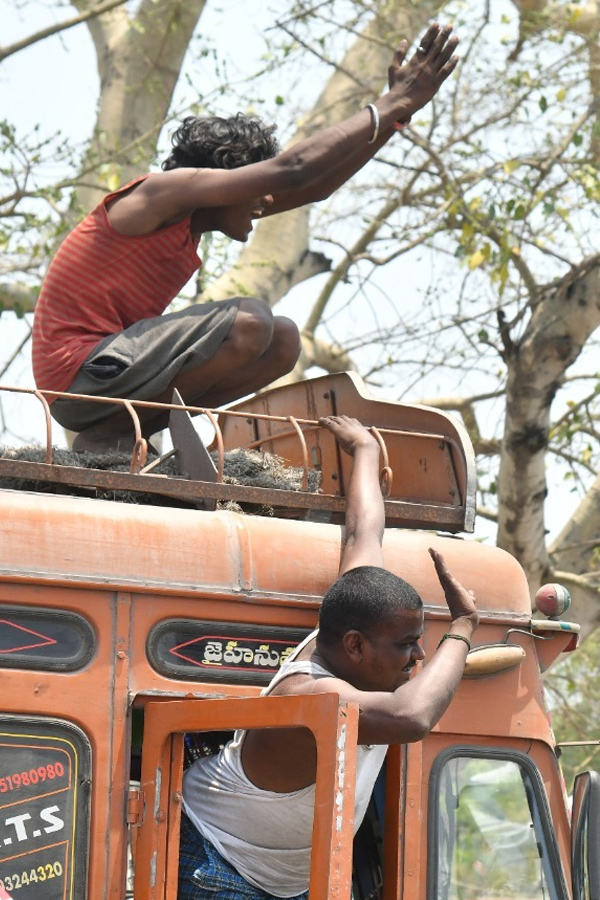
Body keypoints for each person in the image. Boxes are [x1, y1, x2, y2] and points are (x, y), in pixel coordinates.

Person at [32, 23, 459, 453]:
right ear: (227, 180)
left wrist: (398, 116)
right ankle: (113, 432)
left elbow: (314, 186)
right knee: (251, 321)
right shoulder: (164, 192)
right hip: (78, 373)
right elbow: (296, 171)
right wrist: (389, 102)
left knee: (283, 341)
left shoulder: (194, 217)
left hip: (106, 378)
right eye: (257, 186)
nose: (268, 201)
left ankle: (124, 430)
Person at [178, 414, 479, 900]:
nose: (419, 655)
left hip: (292, 879)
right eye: (407, 644)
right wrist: (462, 629)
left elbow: (364, 534)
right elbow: (412, 717)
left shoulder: (352, 629)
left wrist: (365, 450)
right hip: (218, 859)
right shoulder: (313, 692)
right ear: (355, 645)